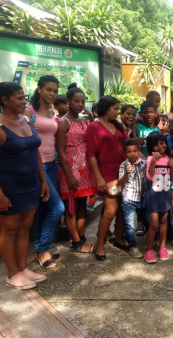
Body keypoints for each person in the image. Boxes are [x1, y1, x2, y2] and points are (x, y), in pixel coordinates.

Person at [0, 81, 49, 289]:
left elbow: (34, 152)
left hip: (30, 184)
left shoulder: (27, 119)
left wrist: (43, 180)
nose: (24, 101)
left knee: (25, 228)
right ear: (5, 100)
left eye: (24, 97)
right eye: (19, 98)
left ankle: (23, 268)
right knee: (9, 229)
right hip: (7, 187)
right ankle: (12, 273)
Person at [24, 75, 65, 269]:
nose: (52, 94)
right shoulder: (28, 111)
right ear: (39, 89)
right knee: (58, 208)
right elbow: (27, 142)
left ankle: (40, 250)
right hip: (36, 166)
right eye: (49, 89)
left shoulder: (51, 111)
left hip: (51, 165)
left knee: (44, 209)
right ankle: (43, 249)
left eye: (55, 91)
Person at [85, 95, 130, 261]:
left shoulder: (117, 126)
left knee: (121, 209)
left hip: (124, 173)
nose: (118, 113)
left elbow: (128, 145)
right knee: (110, 210)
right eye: (115, 109)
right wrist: (99, 178)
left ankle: (118, 238)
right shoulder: (93, 127)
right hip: (108, 174)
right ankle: (100, 245)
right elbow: (90, 153)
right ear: (105, 109)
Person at [55, 86, 97, 254]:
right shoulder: (63, 122)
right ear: (68, 102)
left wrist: (92, 117)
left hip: (85, 169)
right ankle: (76, 241)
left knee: (81, 205)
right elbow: (61, 150)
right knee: (70, 206)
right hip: (70, 169)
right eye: (76, 101)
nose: (80, 104)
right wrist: (70, 175)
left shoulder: (83, 120)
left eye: (82, 101)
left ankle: (81, 237)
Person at [144, 132, 173, 263]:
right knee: (154, 224)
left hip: (165, 195)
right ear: (152, 146)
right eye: (158, 144)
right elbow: (149, 176)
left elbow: (172, 179)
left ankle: (162, 247)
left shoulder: (168, 158)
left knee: (164, 223)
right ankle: (148, 249)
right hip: (153, 196)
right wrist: (153, 161)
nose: (161, 146)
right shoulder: (150, 159)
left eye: (163, 143)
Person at [119, 138, 147, 259]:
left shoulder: (144, 163)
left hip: (143, 197)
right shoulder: (123, 165)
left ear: (138, 150)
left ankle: (151, 241)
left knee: (147, 220)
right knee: (129, 225)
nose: (132, 154)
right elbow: (121, 183)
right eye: (129, 151)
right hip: (129, 198)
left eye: (135, 151)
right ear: (125, 152)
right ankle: (132, 246)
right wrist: (126, 173)